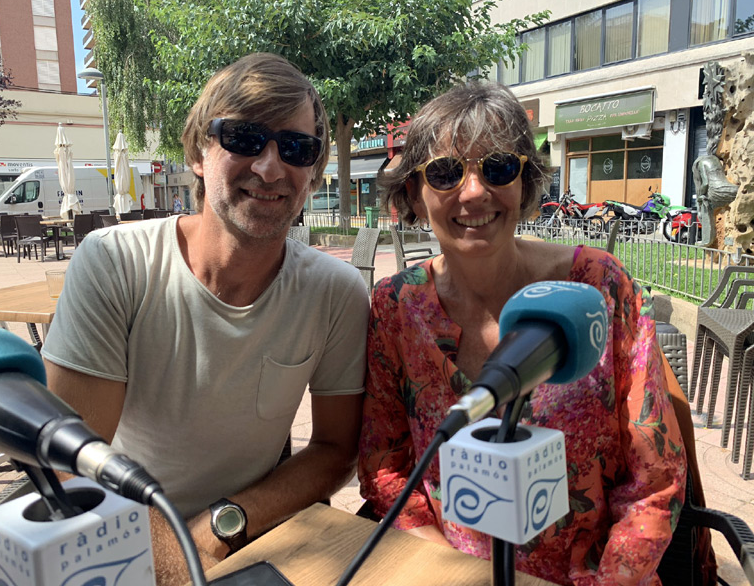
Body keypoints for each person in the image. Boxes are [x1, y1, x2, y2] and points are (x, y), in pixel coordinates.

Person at [41, 52, 369, 585]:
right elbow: (69, 465)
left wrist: (219, 528)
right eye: (242, 138)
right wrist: (180, 562)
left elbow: (336, 450)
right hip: (111, 536)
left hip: (247, 539)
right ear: (198, 151)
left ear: (313, 171)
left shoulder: (334, 291)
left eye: (296, 148)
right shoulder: (115, 261)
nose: (269, 166)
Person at [358, 82, 687, 585]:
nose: (473, 192)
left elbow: (656, 483)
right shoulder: (395, 308)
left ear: (525, 183)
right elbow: (385, 471)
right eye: (445, 173)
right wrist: (450, 573)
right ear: (414, 197)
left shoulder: (600, 286)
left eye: (497, 168)